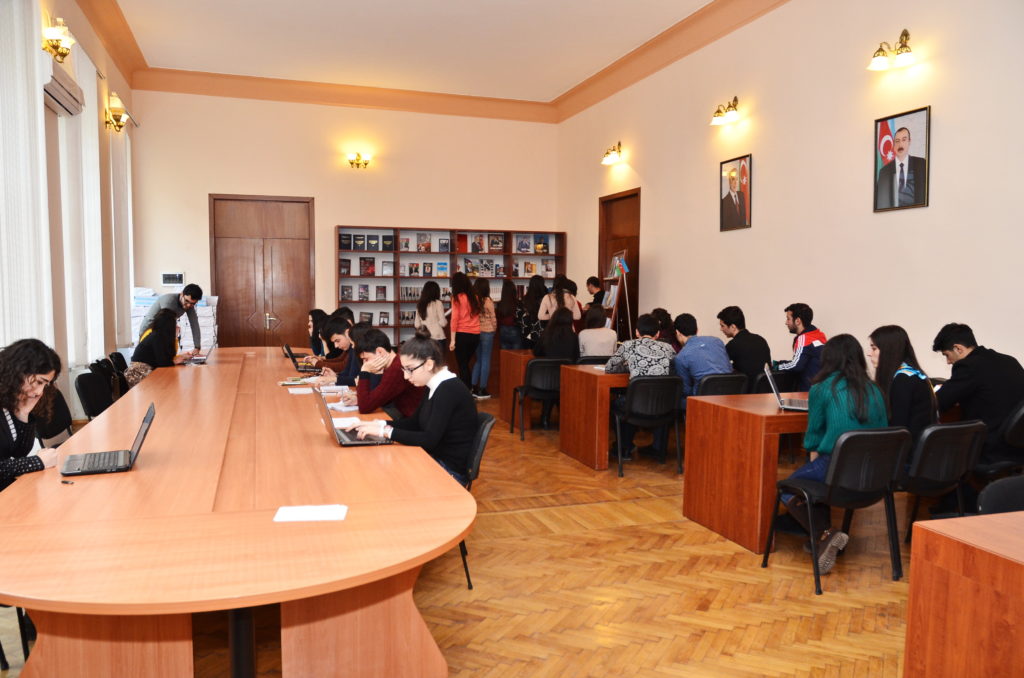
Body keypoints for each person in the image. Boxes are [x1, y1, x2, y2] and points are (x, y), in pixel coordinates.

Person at [782, 334, 888, 574]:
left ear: (828, 359)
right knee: (811, 479)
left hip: (838, 467)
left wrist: (813, 468)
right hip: (874, 475)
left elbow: (813, 437)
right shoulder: (875, 389)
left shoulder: (822, 388)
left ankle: (825, 534)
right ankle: (822, 539)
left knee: (788, 489)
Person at [348, 328, 478, 483]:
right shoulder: (432, 384)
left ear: (429, 364)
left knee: (383, 473)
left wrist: (385, 432)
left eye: (410, 370)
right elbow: (414, 423)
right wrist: (378, 424)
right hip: (432, 457)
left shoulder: (448, 389)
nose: (405, 376)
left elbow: (429, 439)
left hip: (448, 469)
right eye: (404, 369)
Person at [932, 323, 1024, 466]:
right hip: (1017, 447)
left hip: (990, 449)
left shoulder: (968, 366)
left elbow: (939, 402)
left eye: (947, 355)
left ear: (958, 348)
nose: (948, 362)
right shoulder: (1010, 361)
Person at [605, 314, 679, 461]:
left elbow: (609, 368)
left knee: (619, 403)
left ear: (637, 332)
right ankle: (659, 450)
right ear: (657, 334)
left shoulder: (628, 345)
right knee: (643, 399)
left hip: (636, 405)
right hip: (663, 405)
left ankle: (624, 448)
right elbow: (674, 368)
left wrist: (627, 366)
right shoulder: (669, 348)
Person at [0, 339, 61, 490]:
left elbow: (19, 452)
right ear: (19, 370)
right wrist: (37, 462)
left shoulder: (8, 398)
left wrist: (23, 413)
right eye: (39, 382)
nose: (40, 392)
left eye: (45, 385)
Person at [868, 325, 935, 444]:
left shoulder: (902, 380)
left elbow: (897, 430)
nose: (869, 353)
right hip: (920, 449)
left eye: (874, 348)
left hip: (907, 451)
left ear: (888, 350)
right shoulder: (913, 374)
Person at [350, 329, 424, 418]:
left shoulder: (396, 369)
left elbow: (364, 407)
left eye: (366, 359)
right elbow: (377, 398)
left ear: (380, 351)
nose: (365, 364)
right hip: (405, 415)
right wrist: (359, 399)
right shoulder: (393, 363)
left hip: (411, 420)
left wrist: (364, 372)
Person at [672, 313, 733, 399]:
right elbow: (728, 368)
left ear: (677, 332)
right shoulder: (717, 341)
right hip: (730, 396)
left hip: (703, 400)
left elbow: (685, 390)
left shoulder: (681, 357)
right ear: (697, 330)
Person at [127, 309, 188, 386]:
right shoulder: (157, 337)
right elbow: (163, 363)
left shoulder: (160, 336)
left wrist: (179, 357)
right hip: (139, 373)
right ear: (169, 325)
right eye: (175, 322)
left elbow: (167, 358)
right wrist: (175, 361)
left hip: (146, 370)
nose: (176, 325)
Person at [138, 283, 204, 354]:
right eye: (186, 301)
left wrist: (197, 347)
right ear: (182, 294)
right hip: (148, 330)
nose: (188, 305)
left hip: (161, 330)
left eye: (193, 303)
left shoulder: (189, 305)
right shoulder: (169, 301)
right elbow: (164, 325)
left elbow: (194, 324)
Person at [717, 305, 771, 389]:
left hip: (746, 393)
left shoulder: (733, 344)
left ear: (733, 327)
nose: (721, 329)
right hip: (766, 391)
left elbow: (718, 365)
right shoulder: (761, 340)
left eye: (722, 326)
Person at [776, 302, 827, 391]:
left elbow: (796, 366)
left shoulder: (804, 338)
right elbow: (803, 360)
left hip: (808, 392)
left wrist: (777, 367)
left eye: (788, 319)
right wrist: (781, 362)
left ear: (798, 321)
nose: (786, 323)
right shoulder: (819, 335)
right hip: (821, 389)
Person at [875, 126, 927, 209]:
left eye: (904, 140)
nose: (900, 144)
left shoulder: (922, 164)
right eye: (897, 141)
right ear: (894, 144)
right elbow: (881, 203)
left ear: (909, 141)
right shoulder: (884, 172)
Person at [448, 272, 481, 389]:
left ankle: (466, 390)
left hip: (462, 335)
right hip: (475, 335)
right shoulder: (475, 297)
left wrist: (452, 340)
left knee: (462, 365)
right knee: (465, 364)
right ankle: (468, 388)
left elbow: (454, 319)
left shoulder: (457, 298)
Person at [470, 278, 497, 399]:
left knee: (479, 360)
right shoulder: (488, 301)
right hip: (487, 332)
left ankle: (473, 387)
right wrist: (494, 329)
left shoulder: (473, 301)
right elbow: (493, 318)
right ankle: (482, 389)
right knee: (486, 360)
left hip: (476, 332)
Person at [313, 317, 359, 386]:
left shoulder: (356, 347)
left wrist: (334, 379)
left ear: (347, 333)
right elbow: (347, 373)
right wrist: (335, 376)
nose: (336, 346)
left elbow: (356, 380)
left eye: (337, 341)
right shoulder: (351, 348)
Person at [413, 281, 447, 355]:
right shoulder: (438, 303)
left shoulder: (420, 304)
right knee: (438, 360)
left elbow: (416, 324)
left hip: (424, 338)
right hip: (437, 337)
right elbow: (443, 323)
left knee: (426, 360)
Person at [517, 275, 547, 347]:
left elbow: (519, 317)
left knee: (527, 353)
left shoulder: (523, 300)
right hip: (542, 335)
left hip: (526, 334)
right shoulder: (545, 300)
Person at [496, 279, 523, 350]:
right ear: (514, 291)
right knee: (516, 354)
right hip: (515, 329)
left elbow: (498, 319)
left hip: (502, 330)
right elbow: (521, 319)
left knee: (505, 354)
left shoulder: (500, 304)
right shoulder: (518, 303)